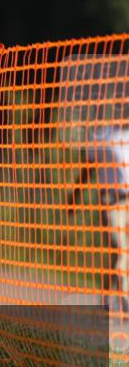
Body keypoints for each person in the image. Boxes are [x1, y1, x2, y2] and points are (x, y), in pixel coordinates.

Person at [67, 123, 129, 312]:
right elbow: (87, 168)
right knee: (120, 251)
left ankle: (106, 298)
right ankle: (125, 302)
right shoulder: (103, 136)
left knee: (120, 255)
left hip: (126, 199)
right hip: (112, 201)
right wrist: (75, 195)